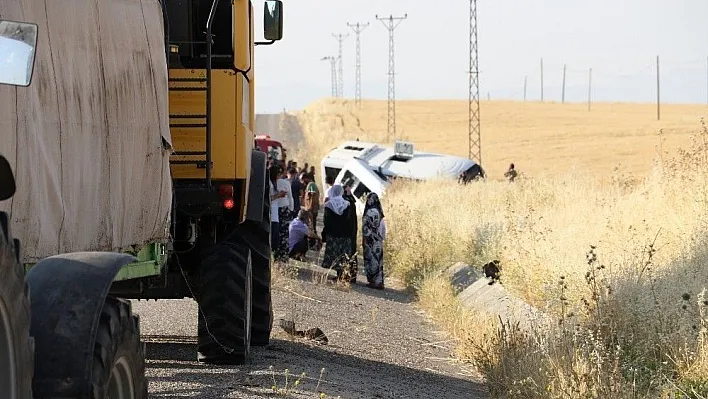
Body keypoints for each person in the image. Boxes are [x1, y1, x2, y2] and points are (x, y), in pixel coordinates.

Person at [321, 184, 356, 283]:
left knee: (335, 255)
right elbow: (349, 220)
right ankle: (341, 275)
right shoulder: (347, 204)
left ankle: (338, 275)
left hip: (333, 234)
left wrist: (324, 234)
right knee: (343, 255)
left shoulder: (329, 205)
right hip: (345, 234)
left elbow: (326, 221)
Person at [362, 193, 386, 289]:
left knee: (370, 260)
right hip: (378, 241)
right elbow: (383, 228)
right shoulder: (380, 213)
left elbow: (365, 228)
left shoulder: (368, 212)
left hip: (369, 241)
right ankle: (379, 281)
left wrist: (364, 239)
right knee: (378, 260)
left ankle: (373, 281)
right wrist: (380, 238)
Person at [275, 168, 294, 261]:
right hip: (284, 209)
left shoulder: (271, 182)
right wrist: (291, 209)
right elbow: (290, 197)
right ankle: (283, 256)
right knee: (285, 233)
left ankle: (275, 253)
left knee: (276, 232)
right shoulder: (286, 183)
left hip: (275, 209)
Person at [269, 166, 287, 253]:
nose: (279, 176)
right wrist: (279, 195)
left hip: (275, 214)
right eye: (278, 174)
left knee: (276, 239)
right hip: (271, 214)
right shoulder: (270, 184)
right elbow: (269, 198)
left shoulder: (274, 183)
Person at [342, 185, 359, 278]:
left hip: (347, 231)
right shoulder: (352, 202)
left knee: (346, 253)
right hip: (352, 231)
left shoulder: (346, 202)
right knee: (352, 252)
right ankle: (352, 274)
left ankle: (346, 275)